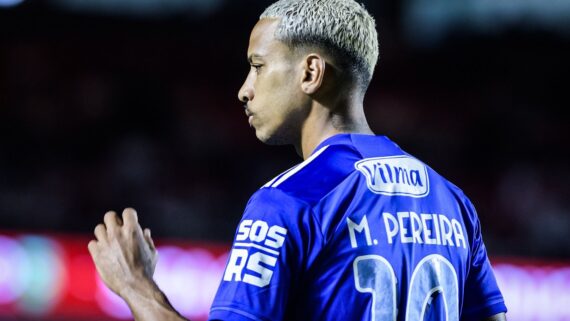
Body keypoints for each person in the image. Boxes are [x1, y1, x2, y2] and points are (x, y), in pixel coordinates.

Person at [88, 0, 508, 320]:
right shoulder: (453, 201)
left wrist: (134, 285)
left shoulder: (289, 201)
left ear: (310, 73)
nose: (244, 90)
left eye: (257, 66)